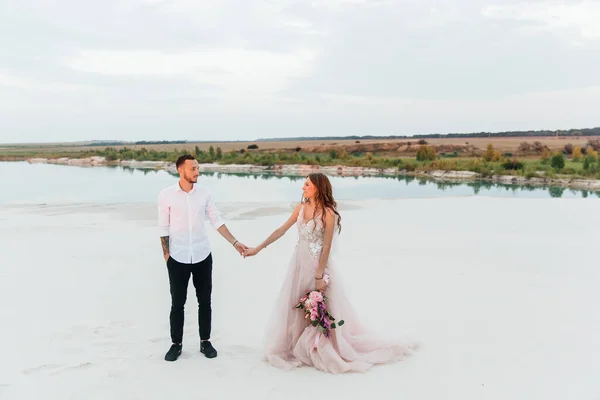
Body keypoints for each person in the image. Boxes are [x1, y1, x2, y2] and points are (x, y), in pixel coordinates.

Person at [243, 172, 417, 374]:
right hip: (298, 263)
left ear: (318, 187)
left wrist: (319, 275)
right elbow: (280, 230)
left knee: (320, 306)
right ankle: (297, 345)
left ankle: (319, 345)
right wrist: (257, 248)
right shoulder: (300, 208)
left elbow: (326, 247)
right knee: (297, 304)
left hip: (317, 265)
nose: (303, 187)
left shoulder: (328, 214)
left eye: (307, 184)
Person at [157, 154, 248, 362]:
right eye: (193, 169)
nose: (197, 172)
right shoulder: (166, 195)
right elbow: (163, 226)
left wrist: (235, 242)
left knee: (205, 301)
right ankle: (176, 344)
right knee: (177, 303)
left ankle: (205, 342)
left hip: (202, 255)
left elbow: (216, 220)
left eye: (198, 168)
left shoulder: (204, 194)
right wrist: (167, 256)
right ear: (181, 170)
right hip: (177, 257)